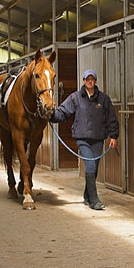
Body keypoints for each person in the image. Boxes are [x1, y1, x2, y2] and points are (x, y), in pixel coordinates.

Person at [48, 69, 119, 210]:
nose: (90, 81)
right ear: (83, 81)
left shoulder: (104, 99)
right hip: (82, 139)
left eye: (92, 79)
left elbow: (111, 118)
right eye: (87, 79)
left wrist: (114, 136)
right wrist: (51, 115)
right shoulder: (75, 98)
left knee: (94, 169)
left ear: (95, 81)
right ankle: (94, 201)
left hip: (98, 138)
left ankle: (87, 196)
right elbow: (63, 111)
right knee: (91, 167)